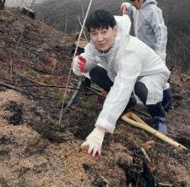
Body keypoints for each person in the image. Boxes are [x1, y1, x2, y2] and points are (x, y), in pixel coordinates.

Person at [73, 9, 170, 157]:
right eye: (94, 34)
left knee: (141, 89)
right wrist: (80, 63)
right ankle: (129, 101)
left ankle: (158, 115)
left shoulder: (129, 50)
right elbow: (88, 58)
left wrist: (100, 128)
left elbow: (122, 87)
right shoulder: (96, 45)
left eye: (104, 32)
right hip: (124, 74)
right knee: (95, 72)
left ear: (115, 30)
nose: (99, 38)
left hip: (152, 74)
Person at [120, 0, 172, 111]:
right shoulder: (139, 7)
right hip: (142, 50)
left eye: (134, 2)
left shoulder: (153, 11)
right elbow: (133, 10)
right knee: (143, 75)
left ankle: (166, 103)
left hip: (154, 52)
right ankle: (146, 100)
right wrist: (127, 6)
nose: (134, 5)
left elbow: (161, 32)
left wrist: (160, 53)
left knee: (159, 79)